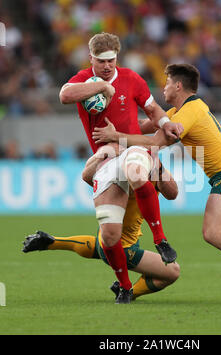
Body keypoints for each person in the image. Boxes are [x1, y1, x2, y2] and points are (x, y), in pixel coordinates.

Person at [93, 63, 221, 305]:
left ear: (178, 85)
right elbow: (146, 125)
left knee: (212, 232)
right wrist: (118, 123)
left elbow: (154, 143)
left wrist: (116, 137)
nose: (164, 87)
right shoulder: (183, 111)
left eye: (167, 83)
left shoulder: (188, 113)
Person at [58, 32, 182, 302]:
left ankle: (160, 239)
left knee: (171, 190)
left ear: (117, 57)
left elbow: (154, 111)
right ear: (91, 58)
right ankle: (125, 287)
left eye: (111, 60)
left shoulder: (132, 79)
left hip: (133, 150)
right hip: (106, 157)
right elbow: (65, 95)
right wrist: (101, 87)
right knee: (110, 235)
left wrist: (165, 124)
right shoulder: (84, 80)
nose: (106, 66)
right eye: (101, 61)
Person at [22, 153, 180, 303]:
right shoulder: (122, 168)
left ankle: (53, 242)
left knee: (101, 245)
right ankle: (129, 292)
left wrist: (159, 168)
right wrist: (105, 155)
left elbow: (173, 193)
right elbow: (87, 176)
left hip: (106, 234)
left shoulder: (148, 166)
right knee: (172, 271)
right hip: (123, 247)